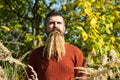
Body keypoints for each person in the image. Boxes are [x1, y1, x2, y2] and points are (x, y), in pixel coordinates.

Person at [26, 10, 87, 80]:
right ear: (45, 29)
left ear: (64, 28)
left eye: (59, 23)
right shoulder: (36, 54)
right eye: (51, 23)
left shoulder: (75, 52)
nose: (55, 26)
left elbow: (83, 78)